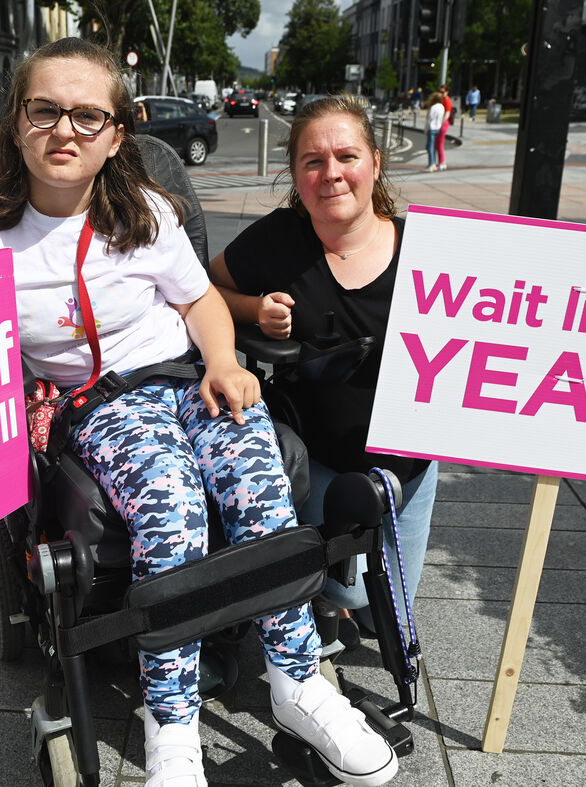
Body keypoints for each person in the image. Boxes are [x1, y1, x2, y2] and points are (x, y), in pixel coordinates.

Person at [0, 38, 398, 787]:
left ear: (117, 133)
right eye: (45, 110)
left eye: (88, 116)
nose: (65, 131)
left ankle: (297, 678)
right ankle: (172, 721)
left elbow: (201, 301)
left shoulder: (145, 212)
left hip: (188, 378)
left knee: (261, 484)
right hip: (102, 402)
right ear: (16, 123)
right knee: (174, 507)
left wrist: (222, 360)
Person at [209, 93, 438, 646]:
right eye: (313, 161)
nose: (331, 173)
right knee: (345, 594)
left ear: (375, 164)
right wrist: (253, 308)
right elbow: (204, 290)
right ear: (295, 174)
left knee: (386, 610)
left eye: (347, 156)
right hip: (319, 459)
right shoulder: (280, 238)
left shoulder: (426, 248)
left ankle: (339, 604)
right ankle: (321, 602)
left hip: (411, 464)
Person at [425, 91, 445, 172]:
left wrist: (426, 128)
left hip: (432, 128)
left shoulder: (433, 107)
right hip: (438, 128)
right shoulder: (442, 107)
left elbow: (430, 119)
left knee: (430, 147)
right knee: (434, 146)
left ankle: (431, 164)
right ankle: (433, 162)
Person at [438, 84, 452, 170]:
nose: (441, 93)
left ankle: (442, 163)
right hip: (441, 123)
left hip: (443, 124)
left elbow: (447, 113)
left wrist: (440, 124)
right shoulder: (441, 100)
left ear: (447, 92)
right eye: (440, 92)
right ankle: (441, 162)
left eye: (442, 92)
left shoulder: (447, 100)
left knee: (439, 144)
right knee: (437, 144)